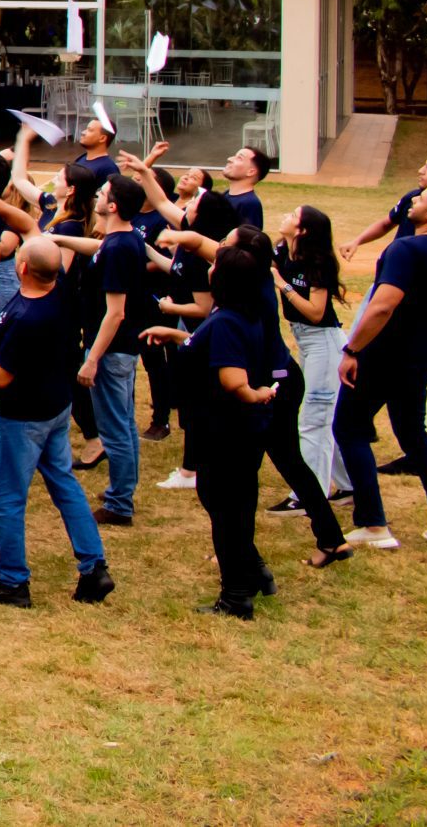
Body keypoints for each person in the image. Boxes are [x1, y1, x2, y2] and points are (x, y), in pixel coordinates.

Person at [0, 235, 116, 608]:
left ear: (21, 269)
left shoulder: (26, 318)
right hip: (56, 407)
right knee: (64, 484)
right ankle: (94, 566)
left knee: (6, 499)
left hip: (22, 417)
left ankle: (13, 581)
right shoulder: (60, 292)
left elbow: (1, 376)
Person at [334, 180, 427, 554]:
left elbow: (383, 305)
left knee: (349, 428)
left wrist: (352, 350)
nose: (413, 199)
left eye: (422, 198)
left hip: (385, 354)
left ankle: (373, 525)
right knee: (415, 436)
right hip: (423, 353)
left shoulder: (405, 248)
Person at [141, 244, 281, 617]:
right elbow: (210, 346)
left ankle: (236, 596)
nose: (209, 267)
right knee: (232, 505)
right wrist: (178, 338)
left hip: (225, 430)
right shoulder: (238, 313)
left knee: (227, 510)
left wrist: (256, 394)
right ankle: (254, 573)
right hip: (234, 430)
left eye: (215, 264)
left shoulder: (226, 322)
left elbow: (234, 380)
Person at [76, 175, 158, 526]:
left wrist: (92, 359)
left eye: (103, 193)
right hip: (120, 348)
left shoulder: (117, 248)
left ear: (112, 206)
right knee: (122, 422)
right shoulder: (123, 239)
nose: (97, 195)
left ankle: (120, 503)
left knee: (114, 428)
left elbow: (116, 312)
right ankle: (122, 489)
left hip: (111, 351)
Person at [271, 205, 349, 504]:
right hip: (306, 341)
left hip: (324, 343)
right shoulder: (283, 251)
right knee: (326, 418)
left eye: (293, 215)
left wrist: (283, 286)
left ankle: (309, 495)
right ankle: (349, 485)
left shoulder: (318, 263)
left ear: (302, 230)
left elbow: (316, 313)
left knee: (314, 418)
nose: (286, 217)